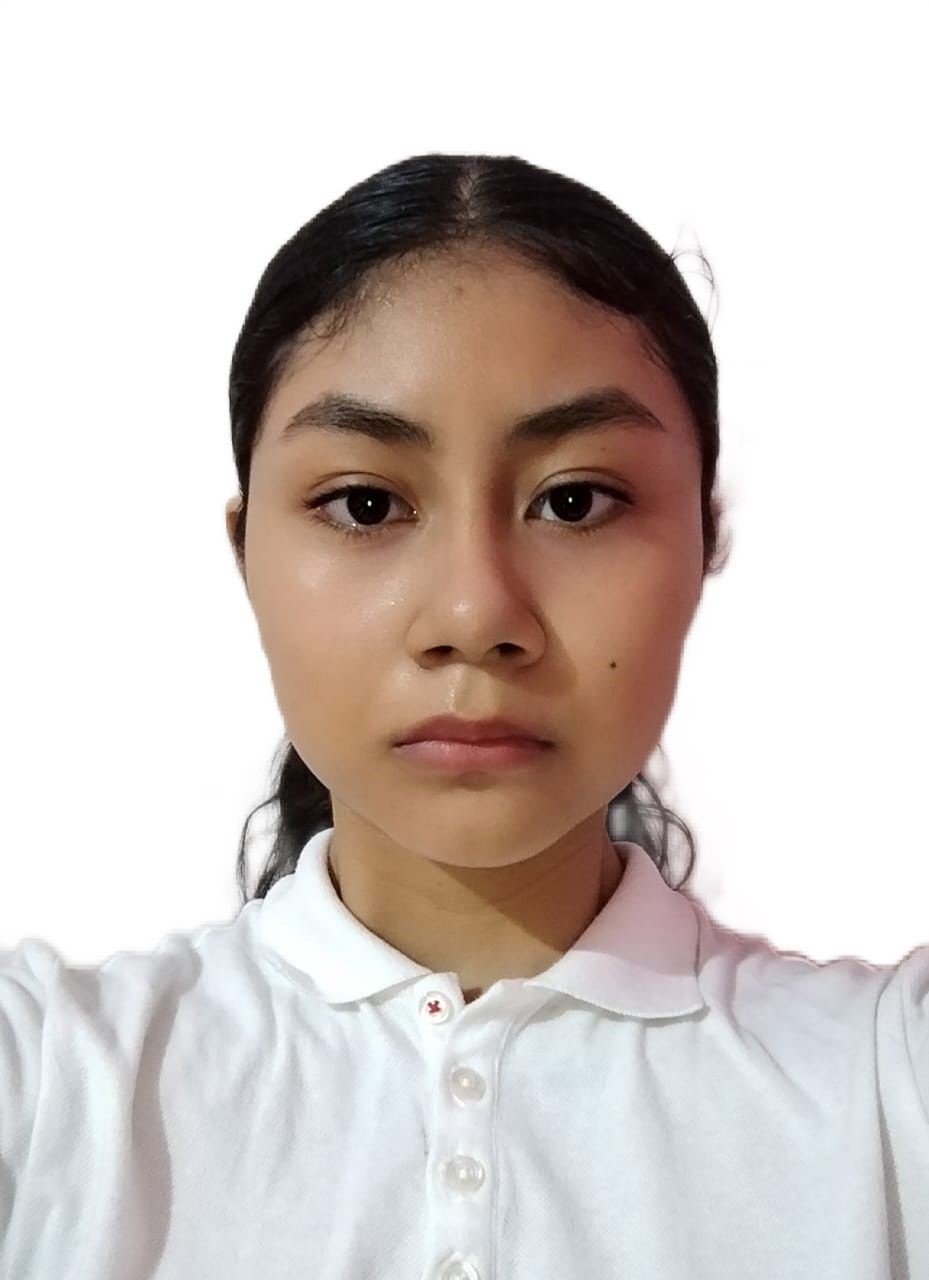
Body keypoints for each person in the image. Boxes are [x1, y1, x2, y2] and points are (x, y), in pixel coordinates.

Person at [1, 152, 924, 1279]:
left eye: (574, 500)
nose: (475, 614)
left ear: (703, 539)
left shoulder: (885, 1086)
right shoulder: (49, 1087)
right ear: (246, 553)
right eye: (365, 504)